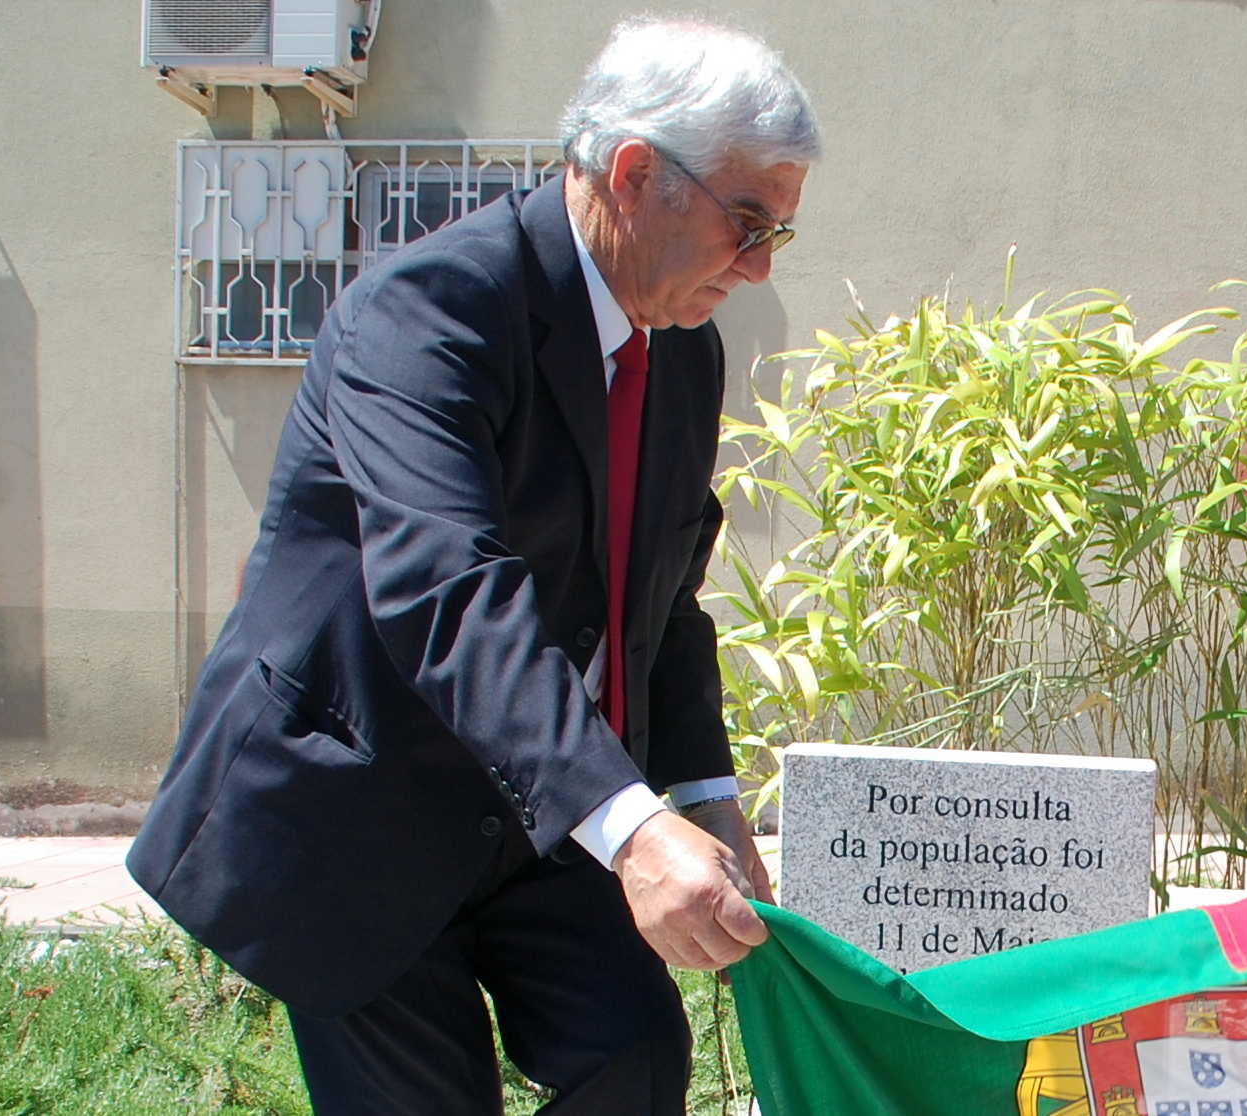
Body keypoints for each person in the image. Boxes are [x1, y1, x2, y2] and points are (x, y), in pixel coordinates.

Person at [128, 16, 818, 1114]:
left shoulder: (681, 348)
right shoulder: (430, 315)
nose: (760, 265)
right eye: (747, 223)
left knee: (633, 1059)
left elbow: (664, 599)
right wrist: (634, 828)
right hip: (360, 809)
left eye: (780, 231)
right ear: (637, 174)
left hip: (542, 800)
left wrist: (702, 794)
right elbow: (451, 596)